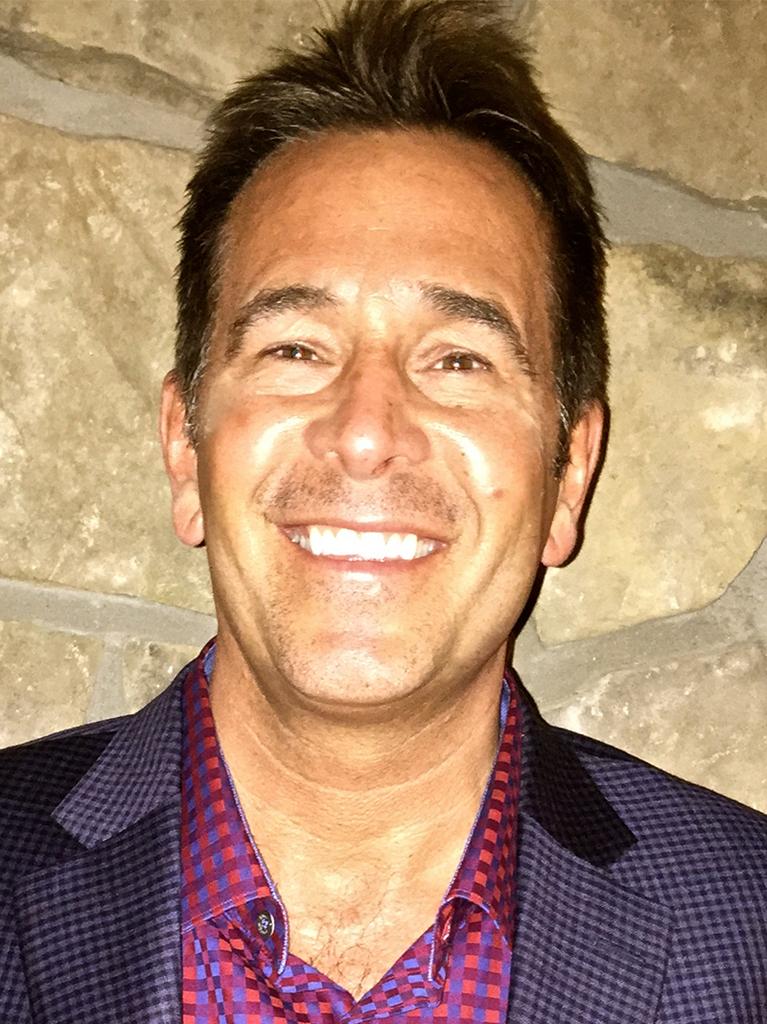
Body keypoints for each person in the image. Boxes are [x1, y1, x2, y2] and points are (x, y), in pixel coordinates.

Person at [1, 1, 765, 1021]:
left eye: (457, 360)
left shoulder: (748, 930)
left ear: (568, 475)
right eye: (295, 348)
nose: (365, 432)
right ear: (185, 448)